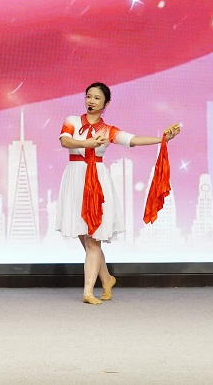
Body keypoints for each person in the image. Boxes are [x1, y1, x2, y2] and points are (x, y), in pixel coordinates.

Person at [56, 82, 179, 304]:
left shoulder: (108, 130)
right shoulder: (72, 121)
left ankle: (87, 292)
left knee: (93, 240)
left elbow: (133, 140)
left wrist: (163, 139)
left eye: (97, 98)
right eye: (88, 96)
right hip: (75, 179)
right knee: (84, 237)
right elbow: (65, 141)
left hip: (96, 182)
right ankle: (107, 278)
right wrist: (88, 143)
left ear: (105, 103)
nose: (91, 101)